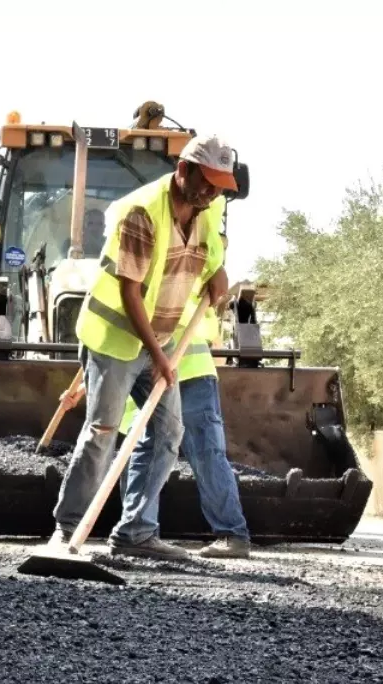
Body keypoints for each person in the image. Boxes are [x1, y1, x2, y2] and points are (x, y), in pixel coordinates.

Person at [51, 134, 236, 561]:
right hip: (115, 340)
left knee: (169, 433)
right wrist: (158, 356)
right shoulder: (142, 213)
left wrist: (219, 273)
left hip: (159, 341)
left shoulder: (206, 212)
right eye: (206, 181)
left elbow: (211, 262)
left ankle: (136, 531)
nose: (211, 192)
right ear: (184, 169)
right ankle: (66, 530)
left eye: (219, 186)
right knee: (102, 432)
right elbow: (131, 291)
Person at [117, 292, 253, 559]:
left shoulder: (163, 282)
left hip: (170, 371)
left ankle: (138, 532)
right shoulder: (192, 283)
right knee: (205, 454)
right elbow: (213, 337)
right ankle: (231, 534)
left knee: (146, 451)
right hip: (184, 372)